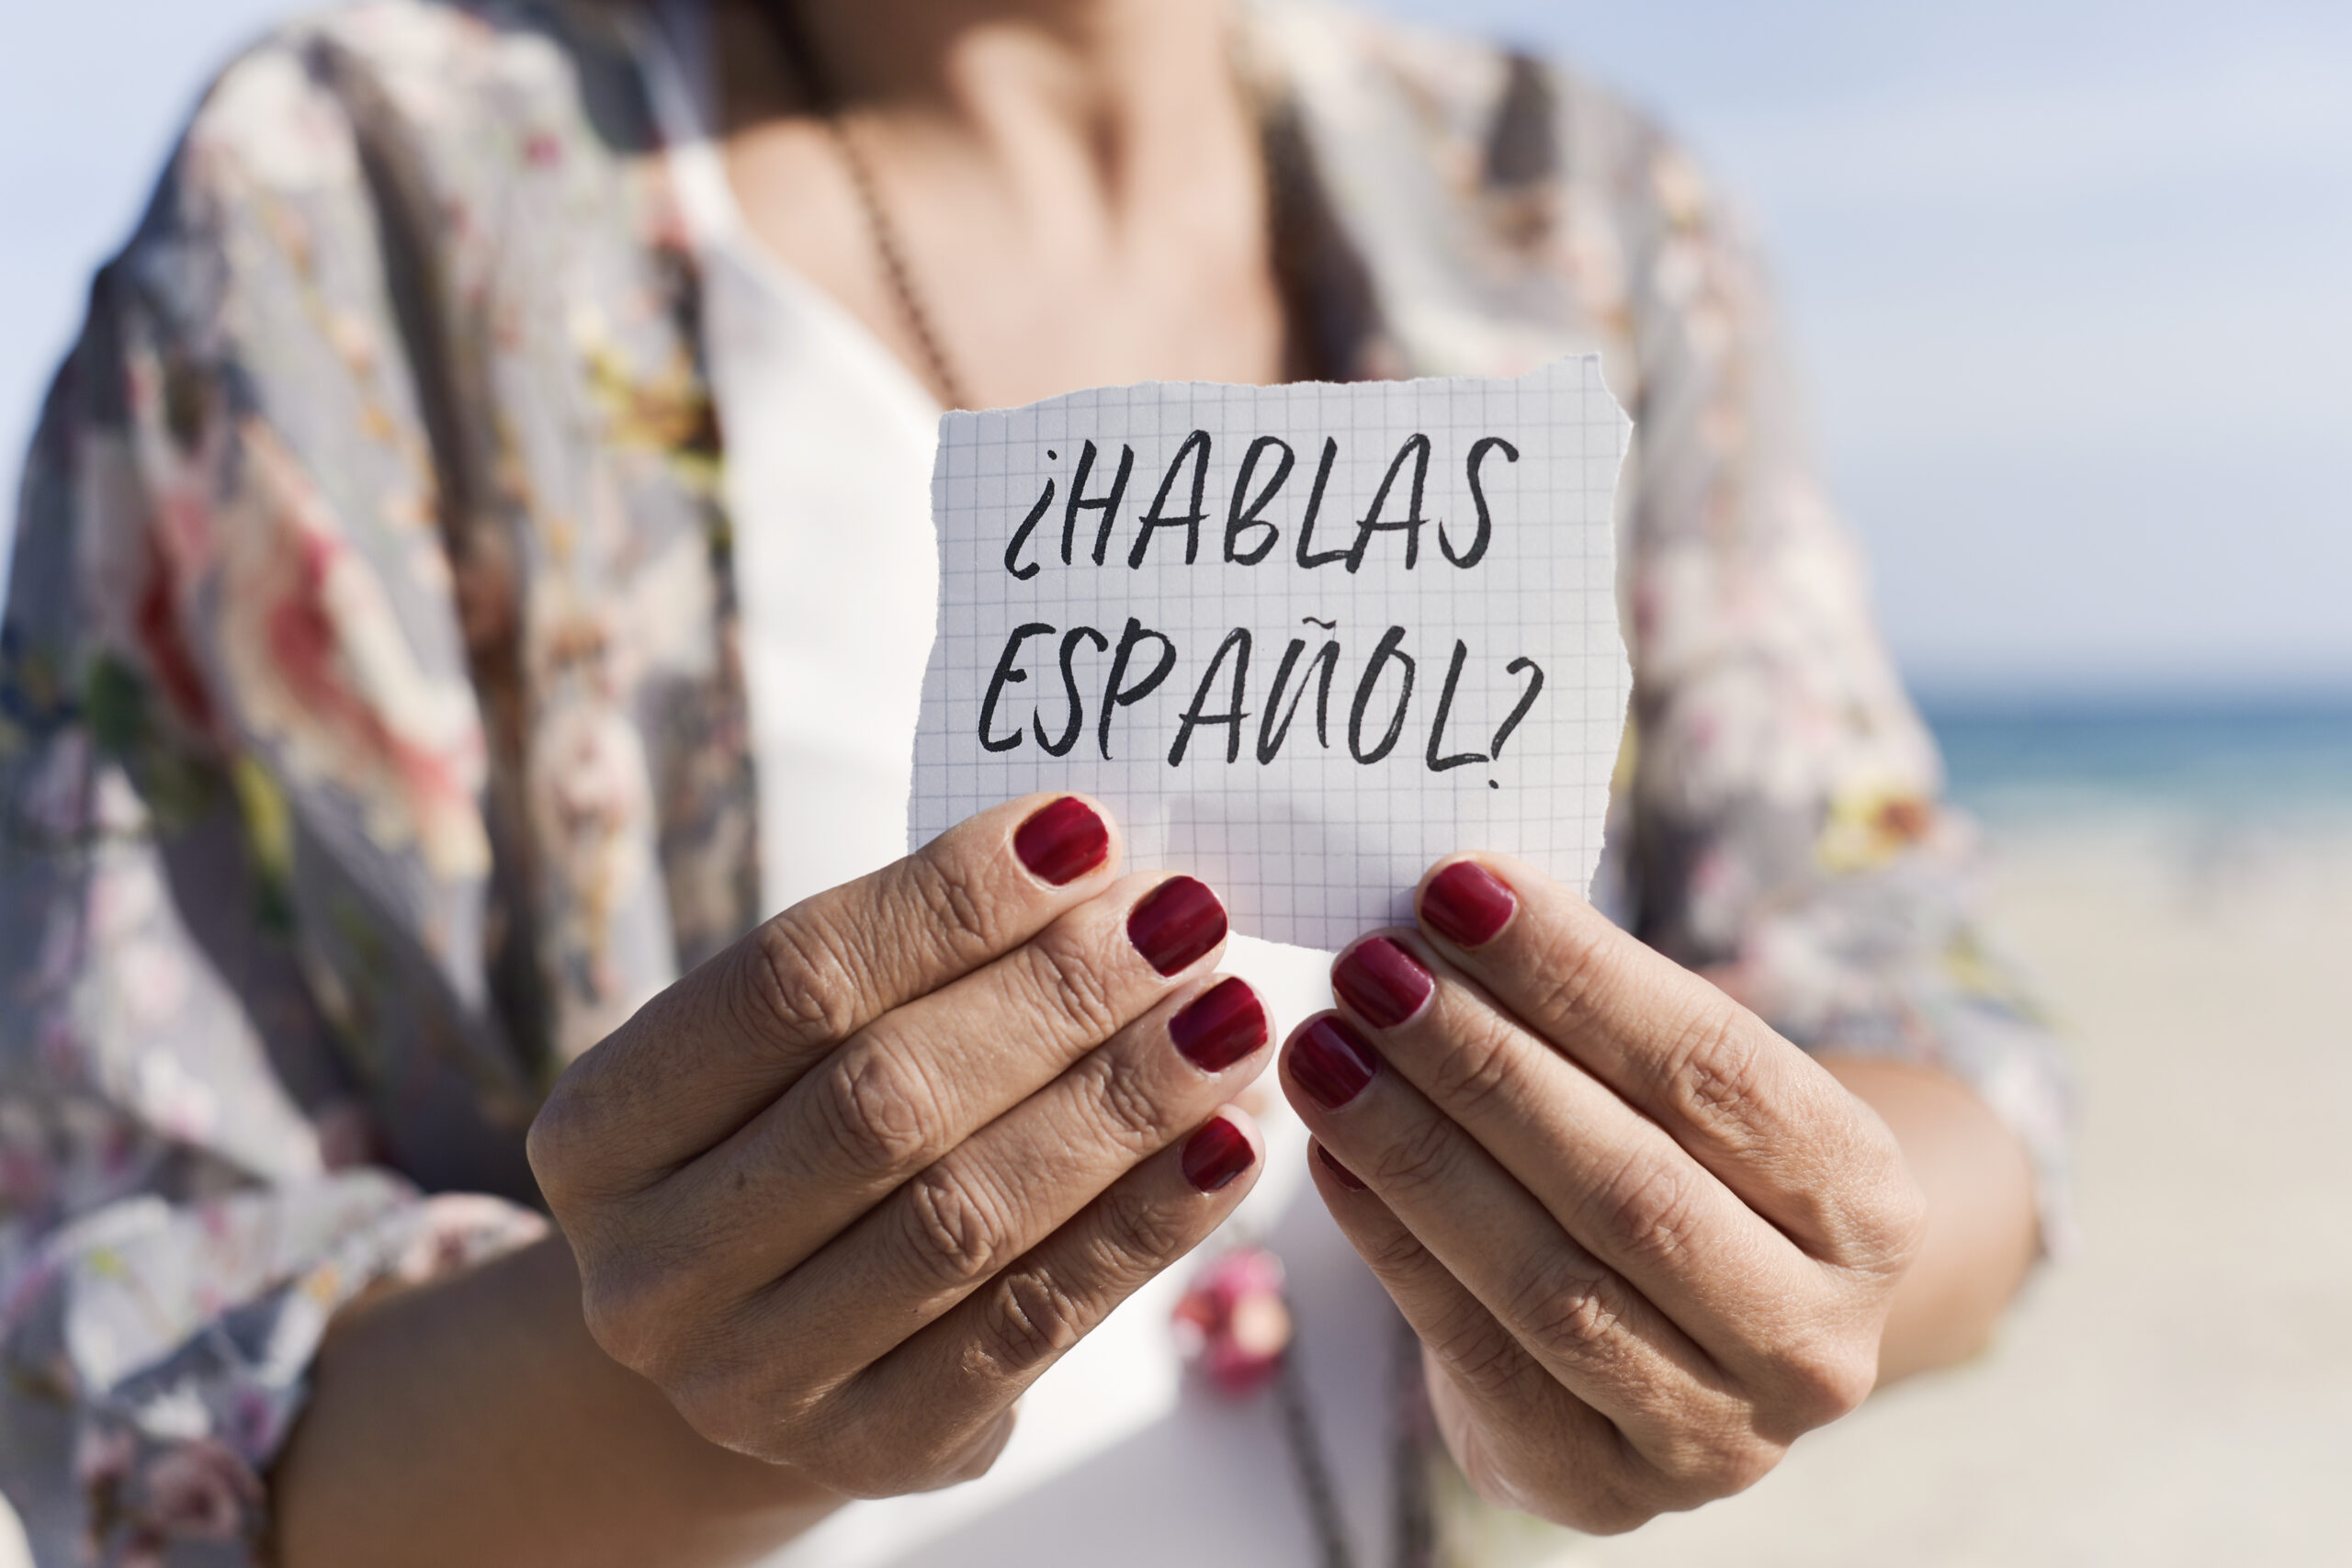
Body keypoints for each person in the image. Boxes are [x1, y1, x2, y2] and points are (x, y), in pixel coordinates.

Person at [0, 0, 2070, 1563]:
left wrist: (1785, 1261)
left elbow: (1915, 1008)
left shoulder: (1576, 206)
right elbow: (112, 1352)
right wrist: (681, 1392)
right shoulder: (353, 201)